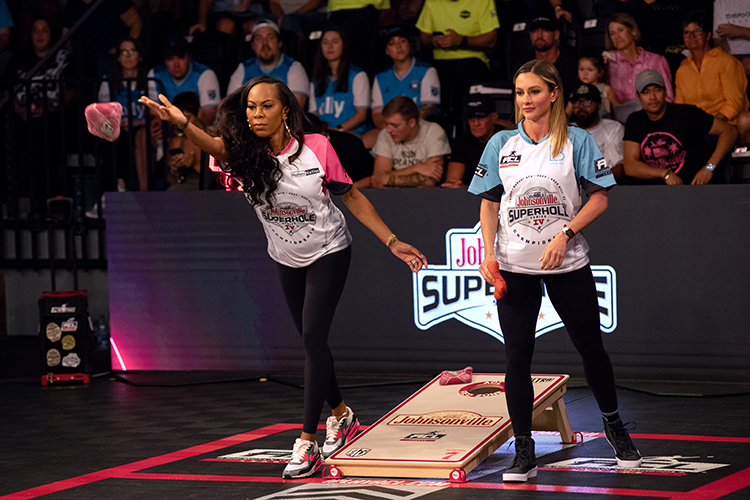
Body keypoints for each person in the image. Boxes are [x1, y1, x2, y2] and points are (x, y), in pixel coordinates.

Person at [140, 75, 428, 479]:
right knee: (313, 343)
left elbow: (353, 196)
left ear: (285, 111)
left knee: (312, 338)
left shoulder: (318, 149)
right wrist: (183, 124)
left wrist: (392, 241)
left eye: (266, 106)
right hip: (285, 256)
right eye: (251, 107)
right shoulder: (244, 154)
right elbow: (216, 146)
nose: (257, 114)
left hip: (329, 250)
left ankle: (308, 441)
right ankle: (342, 416)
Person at [468, 59, 641, 483]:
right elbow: (489, 202)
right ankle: (523, 450)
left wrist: (565, 233)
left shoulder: (576, 141)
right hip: (513, 266)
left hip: (567, 264)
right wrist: (488, 253)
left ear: (553, 94)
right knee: (517, 359)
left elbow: (600, 197)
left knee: (591, 349)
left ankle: (614, 426)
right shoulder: (501, 143)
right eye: (520, 93)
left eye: (534, 91)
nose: (525, 100)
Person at [623, 69, 737, 185]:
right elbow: (630, 166)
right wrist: (664, 173)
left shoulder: (686, 113)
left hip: (695, 188)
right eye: (646, 92)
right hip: (655, 195)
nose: (652, 97)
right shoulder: (635, 121)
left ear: (666, 91)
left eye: (657, 90)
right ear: (638, 96)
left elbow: (729, 132)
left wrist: (709, 167)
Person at [416, 0, 499, 123]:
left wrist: (461, 41)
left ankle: (466, 129)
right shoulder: (432, 2)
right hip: (439, 61)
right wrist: (433, 41)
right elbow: (423, 38)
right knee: (426, 74)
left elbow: (491, 39)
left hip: (472, 60)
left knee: (467, 73)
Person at [675, 10, 750, 145]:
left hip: (725, 127)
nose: (691, 35)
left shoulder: (726, 62)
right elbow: (680, 109)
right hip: (697, 131)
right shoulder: (682, 71)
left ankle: (710, 166)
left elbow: (734, 104)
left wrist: (710, 125)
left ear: (708, 35)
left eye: (697, 30)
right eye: (686, 32)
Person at [366, 28, 440, 149]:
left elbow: (429, 107)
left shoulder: (426, 71)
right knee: (363, 143)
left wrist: (405, 128)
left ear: (409, 45)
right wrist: (393, 129)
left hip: (417, 127)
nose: (398, 46)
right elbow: (377, 114)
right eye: (392, 43)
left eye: (402, 41)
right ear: (387, 51)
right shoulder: (381, 77)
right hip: (389, 129)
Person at [98, 37, 150, 192]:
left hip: (141, 127)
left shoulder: (149, 80)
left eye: (132, 51)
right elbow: (102, 113)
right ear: (119, 58)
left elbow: (154, 112)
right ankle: (116, 187)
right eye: (123, 52)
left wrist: (136, 123)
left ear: (140, 56)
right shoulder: (108, 82)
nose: (127, 56)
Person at [366, 95, 451, 188]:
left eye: (394, 125)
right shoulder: (385, 135)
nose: (388, 130)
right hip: (392, 196)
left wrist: (389, 178)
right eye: (387, 124)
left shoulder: (433, 132)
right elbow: (377, 180)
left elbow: (430, 181)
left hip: (426, 197)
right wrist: (416, 168)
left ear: (412, 123)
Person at [604, 13, 674, 122]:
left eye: (620, 30)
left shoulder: (656, 60)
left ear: (633, 31)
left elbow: (668, 98)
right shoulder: (608, 63)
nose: (616, 37)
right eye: (612, 33)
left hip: (655, 119)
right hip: (621, 123)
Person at [226, 20, 309, 108]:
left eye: (270, 38)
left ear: (279, 43)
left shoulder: (294, 67)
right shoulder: (243, 68)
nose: (265, 43)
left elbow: (295, 109)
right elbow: (231, 106)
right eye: (259, 38)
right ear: (253, 45)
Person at [308, 27, 371, 139]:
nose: (330, 46)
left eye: (335, 42)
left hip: (352, 134)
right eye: (325, 42)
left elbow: (361, 114)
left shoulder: (357, 75)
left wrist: (338, 130)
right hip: (324, 135)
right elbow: (314, 114)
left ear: (344, 45)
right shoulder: (316, 78)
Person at [147, 35, 222, 128]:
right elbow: (154, 113)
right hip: (168, 128)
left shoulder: (204, 74)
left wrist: (187, 125)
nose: (176, 64)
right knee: (144, 134)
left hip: (199, 127)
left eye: (181, 57)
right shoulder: (155, 74)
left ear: (189, 57)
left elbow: (209, 116)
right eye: (170, 58)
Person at [442, 94, 502, 188]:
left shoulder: (507, 140)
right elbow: (451, 183)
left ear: (494, 117)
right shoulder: (462, 141)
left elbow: (509, 186)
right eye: (471, 118)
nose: (476, 123)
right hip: (467, 199)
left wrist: (465, 188)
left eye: (481, 117)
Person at [569, 83, 625, 182]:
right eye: (576, 101)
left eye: (587, 101)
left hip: (605, 189)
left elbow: (620, 167)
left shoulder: (613, 128)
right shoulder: (565, 131)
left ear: (599, 105)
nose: (581, 106)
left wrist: (594, 185)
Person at [526, 16, 578, 104]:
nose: (539, 35)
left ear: (556, 34)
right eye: (534, 31)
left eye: (545, 30)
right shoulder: (524, 65)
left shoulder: (571, 63)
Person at [565, 54, 620, 120]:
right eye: (581, 69)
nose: (585, 74)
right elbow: (567, 113)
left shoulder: (605, 89)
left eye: (590, 70)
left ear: (600, 72)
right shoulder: (576, 91)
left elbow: (617, 109)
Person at [714, 0, 750, 76]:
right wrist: (727, 60)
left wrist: (740, 31)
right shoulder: (720, 3)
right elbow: (718, 39)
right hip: (732, 55)